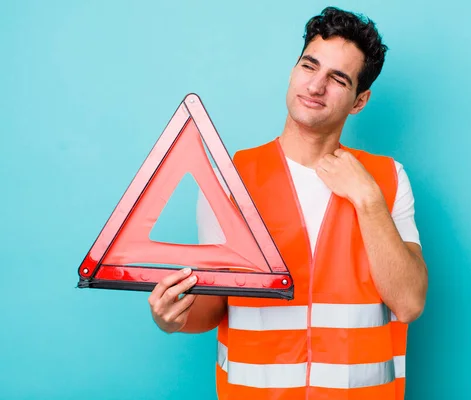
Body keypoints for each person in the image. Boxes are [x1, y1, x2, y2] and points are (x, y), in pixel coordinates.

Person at [148, 6, 428, 399]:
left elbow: (410, 302)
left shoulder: (386, 179)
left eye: (337, 78)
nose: (315, 86)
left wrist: (367, 200)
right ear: (293, 69)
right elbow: (211, 308)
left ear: (359, 101)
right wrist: (171, 317)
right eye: (309, 66)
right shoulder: (232, 180)